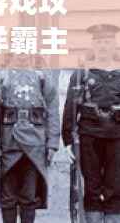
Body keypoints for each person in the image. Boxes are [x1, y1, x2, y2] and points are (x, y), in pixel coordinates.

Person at [0, 53, 60, 223]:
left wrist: (52, 142)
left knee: (29, 197)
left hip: (35, 144)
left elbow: (53, 108)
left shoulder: (42, 75)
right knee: (7, 197)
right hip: (7, 144)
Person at [62, 23, 120, 223]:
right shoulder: (82, 74)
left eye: (107, 41)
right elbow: (70, 108)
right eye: (100, 42)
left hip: (117, 137)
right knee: (91, 186)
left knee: (116, 185)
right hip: (89, 137)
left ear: (114, 44)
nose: (103, 46)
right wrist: (68, 140)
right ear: (93, 45)